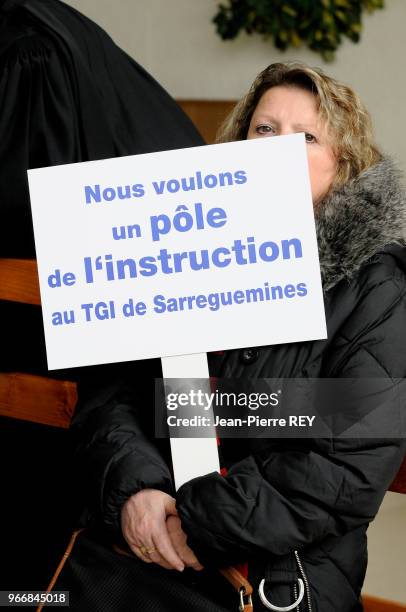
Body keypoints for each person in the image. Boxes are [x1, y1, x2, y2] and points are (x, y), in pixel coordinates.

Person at [70, 62, 406, 611]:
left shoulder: (377, 287)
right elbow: (116, 390)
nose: (275, 148)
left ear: (340, 167)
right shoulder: (182, 251)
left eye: (306, 138)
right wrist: (137, 492)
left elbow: (347, 462)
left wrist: (196, 523)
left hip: (280, 582)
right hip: (135, 560)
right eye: (264, 129)